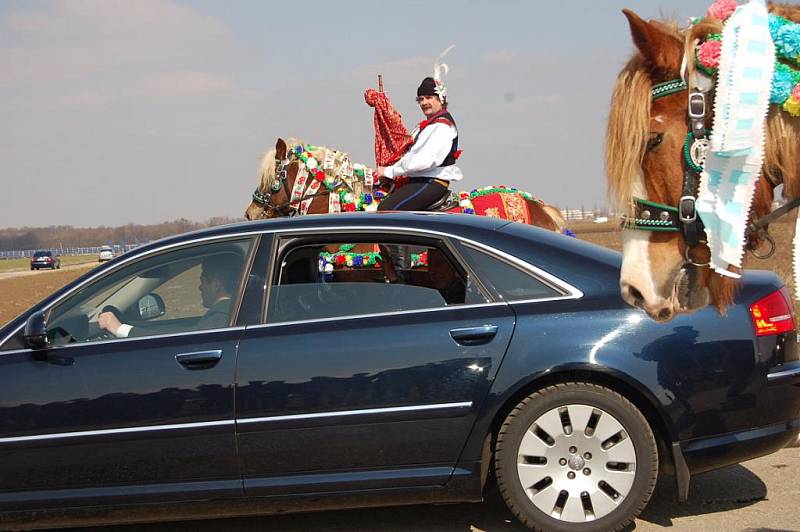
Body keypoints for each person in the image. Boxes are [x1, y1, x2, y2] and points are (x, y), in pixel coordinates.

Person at [375, 76, 462, 211]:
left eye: (429, 97)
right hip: (419, 180)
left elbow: (421, 160)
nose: (424, 102)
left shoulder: (442, 127)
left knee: (386, 209)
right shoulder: (424, 126)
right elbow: (407, 153)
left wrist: (389, 171)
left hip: (431, 182)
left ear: (441, 99)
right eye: (421, 99)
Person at [98, 255, 236, 337]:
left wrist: (119, 328)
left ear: (217, 284)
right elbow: (181, 332)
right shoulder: (228, 313)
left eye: (203, 281)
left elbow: (182, 341)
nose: (199, 287)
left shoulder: (221, 318)